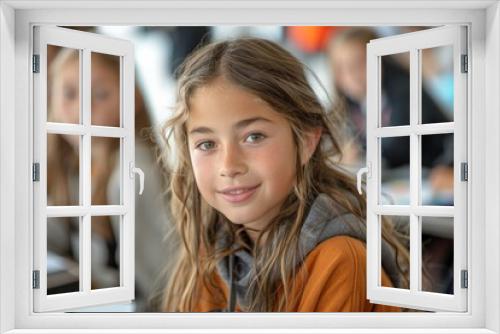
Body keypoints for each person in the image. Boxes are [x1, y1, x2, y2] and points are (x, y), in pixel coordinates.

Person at [160, 38, 411, 312]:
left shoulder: (341, 262)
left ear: (305, 141)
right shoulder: (211, 254)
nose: (228, 165)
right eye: (207, 144)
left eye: (253, 137)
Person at [47, 47, 176, 311]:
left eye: (100, 95)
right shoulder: (71, 169)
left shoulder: (131, 176)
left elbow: (162, 288)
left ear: (132, 100)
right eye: (70, 94)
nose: (82, 108)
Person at [327, 28, 454, 193]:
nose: (350, 74)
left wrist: (357, 153)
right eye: (341, 68)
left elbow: (395, 147)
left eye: (358, 63)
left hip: (440, 173)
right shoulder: (351, 105)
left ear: (381, 61)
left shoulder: (405, 91)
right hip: (403, 183)